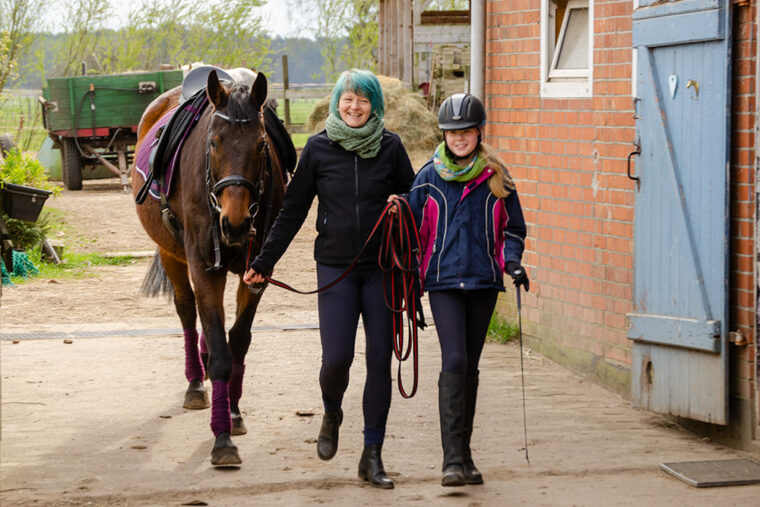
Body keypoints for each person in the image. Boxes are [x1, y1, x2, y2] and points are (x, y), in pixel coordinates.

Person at [243, 69, 415, 489]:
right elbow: (293, 211)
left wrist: (403, 203)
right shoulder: (318, 149)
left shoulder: (391, 147)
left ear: (375, 105)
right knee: (337, 358)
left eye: (363, 100)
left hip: (383, 270)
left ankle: (372, 454)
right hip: (336, 269)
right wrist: (265, 262)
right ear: (337, 102)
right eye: (347, 99)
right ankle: (332, 409)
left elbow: (417, 197)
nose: (354, 107)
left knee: (379, 361)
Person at [400, 93, 529, 487]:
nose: (460, 138)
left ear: (478, 133)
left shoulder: (497, 177)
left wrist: (512, 261)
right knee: (454, 358)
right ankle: (451, 460)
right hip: (443, 283)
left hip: (484, 281)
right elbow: (413, 236)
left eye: (467, 131)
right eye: (453, 132)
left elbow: (513, 228)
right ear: (444, 134)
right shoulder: (427, 179)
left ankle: (466, 456)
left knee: (470, 366)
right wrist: (412, 287)